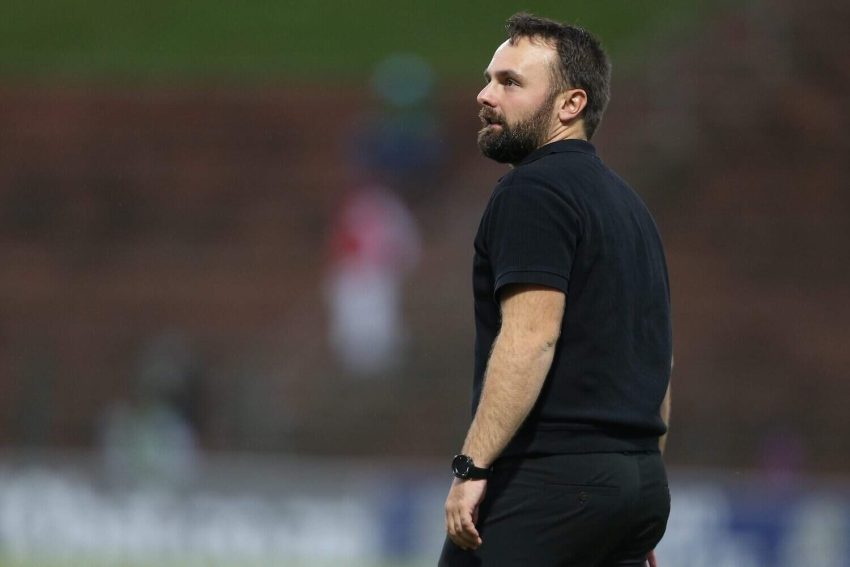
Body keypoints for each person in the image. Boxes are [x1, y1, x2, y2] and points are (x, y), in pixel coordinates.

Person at [439, 13, 673, 567]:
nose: (485, 95)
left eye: (510, 82)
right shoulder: (629, 207)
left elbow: (531, 338)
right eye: (489, 79)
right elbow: (657, 362)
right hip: (636, 484)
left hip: (551, 483)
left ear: (571, 104)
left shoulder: (533, 191)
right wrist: (631, 496)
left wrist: (472, 467)